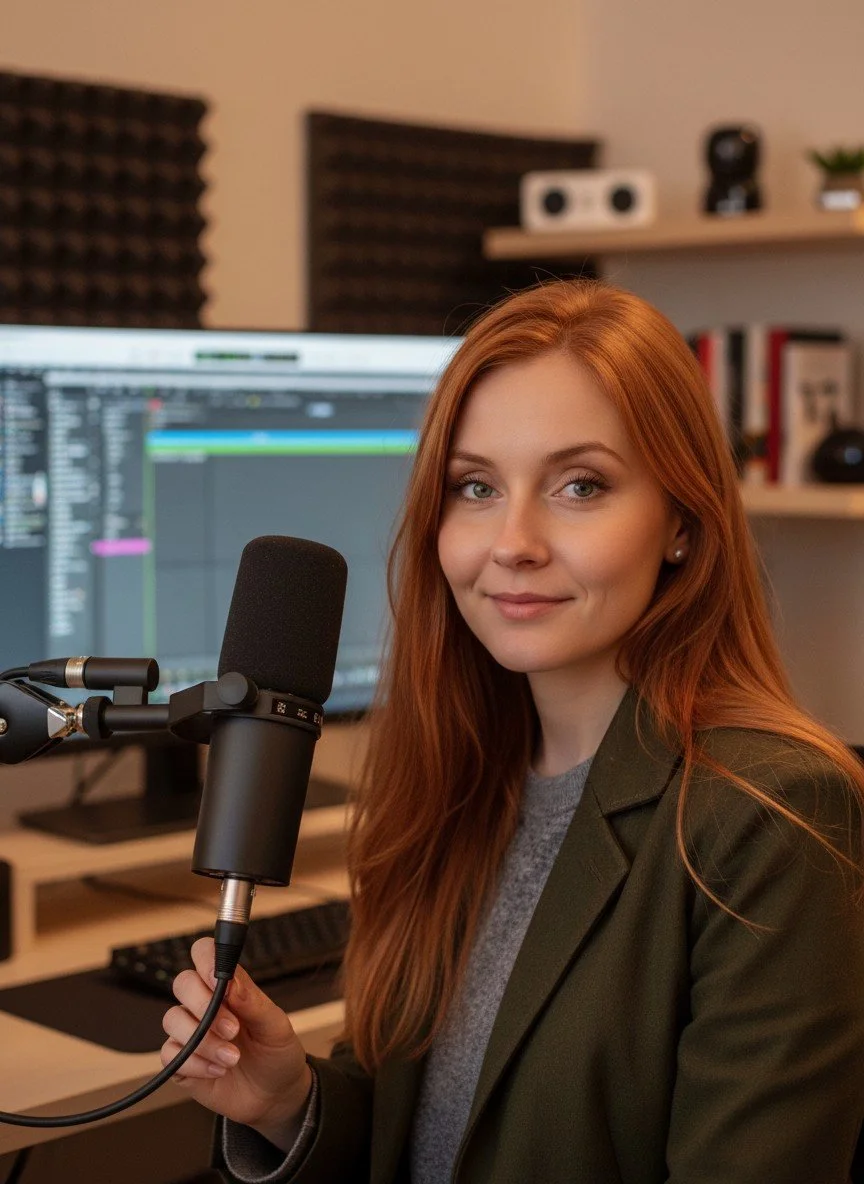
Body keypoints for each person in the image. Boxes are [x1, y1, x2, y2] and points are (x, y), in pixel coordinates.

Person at [161, 279, 864, 1184]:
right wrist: (289, 1101)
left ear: (682, 522)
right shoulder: (460, 783)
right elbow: (440, 1133)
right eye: (477, 486)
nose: (514, 541)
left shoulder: (769, 814)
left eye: (581, 485)